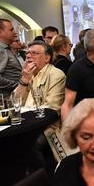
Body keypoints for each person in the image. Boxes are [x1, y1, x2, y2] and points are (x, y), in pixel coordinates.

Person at [14, 40, 66, 175]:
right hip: (27, 124)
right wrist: (24, 80)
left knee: (29, 145)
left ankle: (41, 182)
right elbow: (15, 103)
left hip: (49, 126)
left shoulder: (55, 74)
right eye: (28, 53)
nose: (29, 56)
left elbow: (52, 108)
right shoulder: (28, 74)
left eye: (34, 53)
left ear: (47, 58)